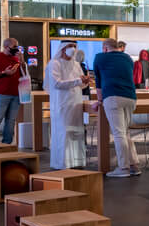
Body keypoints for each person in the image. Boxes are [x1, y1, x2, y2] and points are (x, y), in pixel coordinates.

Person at [93, 38, 141, 178]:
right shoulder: (127, 58)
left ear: (105, 48)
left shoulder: (100, 57)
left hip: (113, 97)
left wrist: (99, 100)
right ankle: (134, 165)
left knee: (119, 133)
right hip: (130, 97)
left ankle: (123, 168)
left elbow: (98, 81)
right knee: (125, 132)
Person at [46, 40, 90, 170]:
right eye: (70, 46)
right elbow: (57, 84)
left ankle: (76, 161)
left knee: (76, 132)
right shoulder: (54, 63)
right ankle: (62, 163)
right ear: (63, 48)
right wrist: (78, 81)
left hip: (76, 102)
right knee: (63, 132)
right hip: (61, 103)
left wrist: (85, 82)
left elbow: (81, 84)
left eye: (75, 46)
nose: (73, 48)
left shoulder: (76, 64)